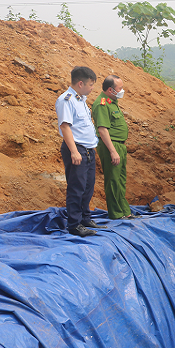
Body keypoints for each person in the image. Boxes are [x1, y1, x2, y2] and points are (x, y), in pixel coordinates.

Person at [55, 66, 103, 237]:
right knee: (77, 187)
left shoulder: (80, 99)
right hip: (77, 150)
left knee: (88, 187)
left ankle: (85, 218)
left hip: (88, 149)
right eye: (91, 85)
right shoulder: (66, 100)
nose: (92, 88)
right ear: (81, 83)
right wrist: (74, 151)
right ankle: (74, 225)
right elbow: (65, 126)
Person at [93, 75, 138, 220]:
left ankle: (125, 211)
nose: (122, 91)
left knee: (120, 180)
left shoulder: (113, 102)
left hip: (120, 145)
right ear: (110, 90)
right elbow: (102, 129)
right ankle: (116, 214)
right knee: (113, 180)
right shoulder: (102, 104)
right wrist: (113, 151)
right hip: (110, 146)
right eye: (120, 88)